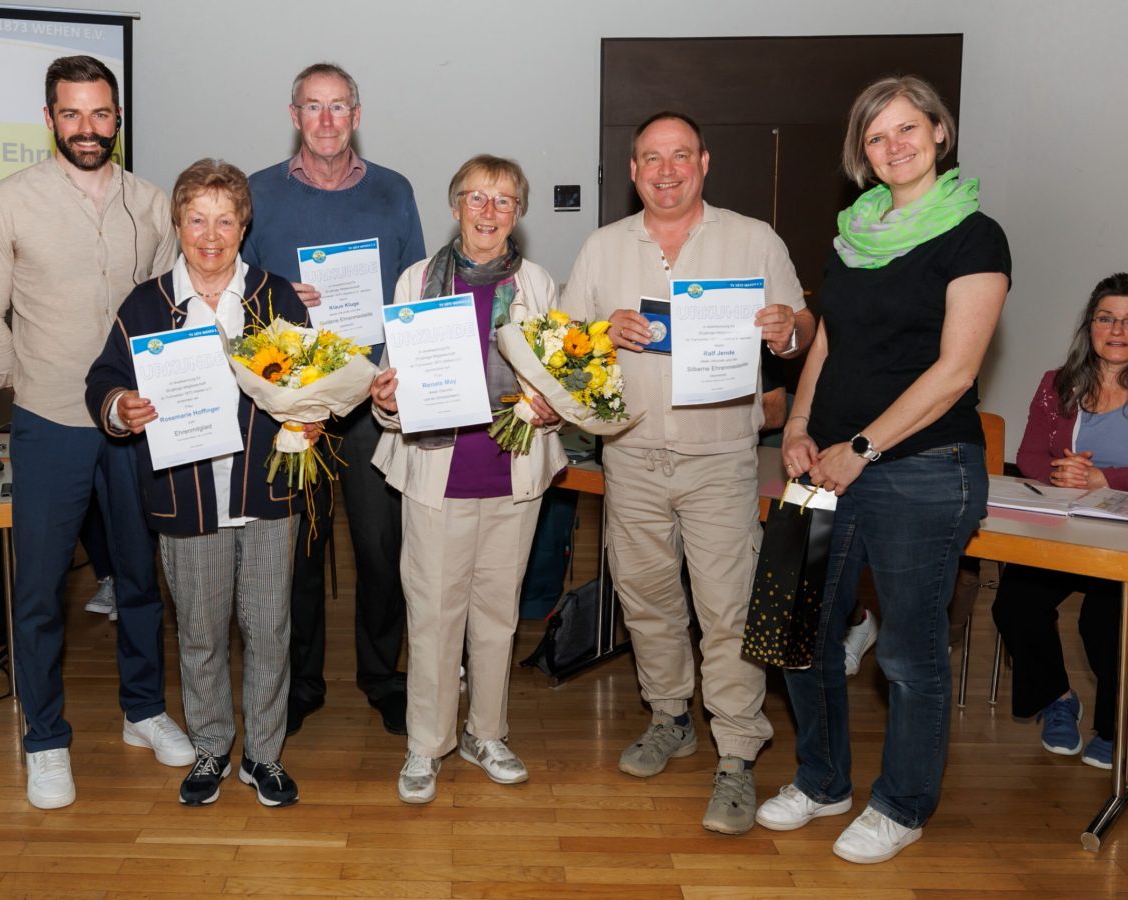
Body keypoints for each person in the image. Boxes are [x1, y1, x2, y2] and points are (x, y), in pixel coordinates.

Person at [757, 75, 1011, 863]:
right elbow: (828, 342)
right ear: (861, 153)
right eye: (876, 136)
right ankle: (822, 782)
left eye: (907, 128)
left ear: (939, 132)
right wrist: (798, 425)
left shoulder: (975, 236)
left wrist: (860, 448)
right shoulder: (853, 235)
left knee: (906, 653)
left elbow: (955, 371)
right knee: (793, 626)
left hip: (922, 468)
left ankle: (901, 804)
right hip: (823, 459)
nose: (893, 145)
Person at [560, 111, 814, 835]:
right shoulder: (604, 247)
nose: (666, 171)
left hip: (721, 456)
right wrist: (597, 333)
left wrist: (786, 330)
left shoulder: (753, 239)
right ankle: (670, 717)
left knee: (728, 606)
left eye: (680, 156)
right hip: (630, 453)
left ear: (704, 163)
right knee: (645, 597)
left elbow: (803, 330)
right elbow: (564, 346)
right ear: (633, 170)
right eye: (651, 158)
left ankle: (737, 751)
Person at [0, 55, 191, 810]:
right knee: (39, 589)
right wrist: (23, 386)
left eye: (99, 114)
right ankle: (46, 740)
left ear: (117, 117)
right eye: (71, 114)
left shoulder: (151, 203)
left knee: (139, 579)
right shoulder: (7, 203)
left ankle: (144, 710)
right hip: (50, 422)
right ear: (49, 118)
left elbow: (170, 305)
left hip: (132, 423)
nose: (86, 129)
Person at [86, 158, 313, 808]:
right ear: (179, 224)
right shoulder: (147, 304)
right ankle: (212, 745)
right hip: (185, 496)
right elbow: (103, 379)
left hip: (266, 494)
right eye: (197, 220)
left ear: (244, 227)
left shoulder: (276, 297)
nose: (210, 235)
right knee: (201, 632)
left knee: (269, 630)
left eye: (225, 220)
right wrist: (121, 406)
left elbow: (313, 380)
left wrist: (314, 413)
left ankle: (264, 756)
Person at [369, 155, 566, 804]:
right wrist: (387, 402)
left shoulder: (537, 284)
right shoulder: (416, 280)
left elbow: (562, 376)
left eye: (503, 200)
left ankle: (487, 734)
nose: (488, 211)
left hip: (514, 473)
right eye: (476, 198)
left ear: (518, 213)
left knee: (497, 616)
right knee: (433, 617)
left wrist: (555, 404)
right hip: (437, 476)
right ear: (454, 206)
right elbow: (391, 386)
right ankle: (427, 745)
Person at [242, 62, 424, 737]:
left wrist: (402, 374)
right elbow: (234, 291)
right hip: (294, 405)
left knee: (382, 549)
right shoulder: (258, 192)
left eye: (338, 106)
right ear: (294, 116)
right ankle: (301, 682)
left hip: (373, 403)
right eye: (313, 107)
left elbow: (414, 291)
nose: (326, 120)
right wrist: (275, 295)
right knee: (298, 553)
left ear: (356, 115)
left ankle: (383, 676)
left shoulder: (393, 190)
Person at [992, 273, 1128, 769]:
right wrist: (1062, 472)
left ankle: (1122, 723)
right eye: (1106, 318)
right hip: (1068, 525)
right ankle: (1057, 699)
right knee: (1014, 604)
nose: (1117, 330)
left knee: (1105, 623)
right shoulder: (1058, 384)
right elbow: (1029, 456)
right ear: (1089, 325)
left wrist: (1106, 478)